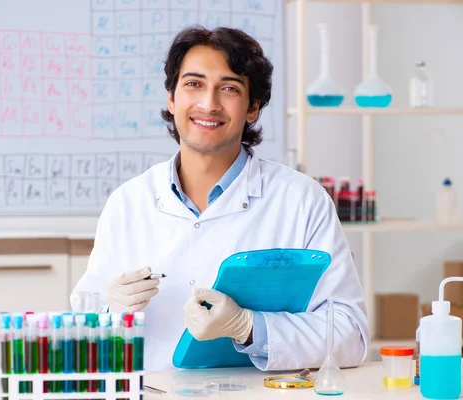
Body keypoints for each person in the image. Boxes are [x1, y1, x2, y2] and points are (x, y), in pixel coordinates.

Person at [71, 26, 370, 371]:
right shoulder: (127, 203)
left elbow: (350, 334)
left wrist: (250, 328)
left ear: (253, 107)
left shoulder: (301, 200)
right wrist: (111, 312)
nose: (208, 104)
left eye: (229, 88)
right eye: (193, 84)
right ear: (171, 98)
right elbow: (82, 328)